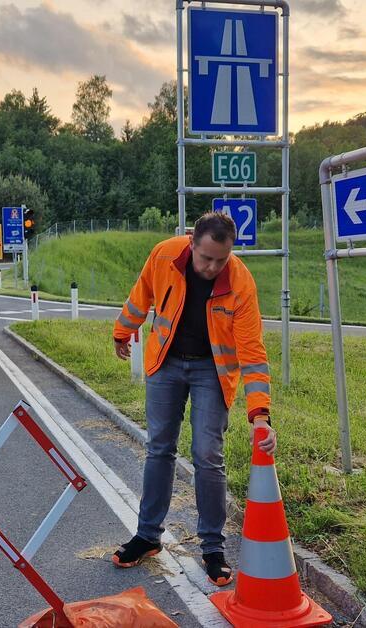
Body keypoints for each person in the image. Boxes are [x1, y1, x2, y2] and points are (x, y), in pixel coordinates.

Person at [110, 211, 276, 587]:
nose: (212, 266)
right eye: (206, 258)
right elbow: (142, 295)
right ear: (191, 243)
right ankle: (148, 536)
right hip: (166, 364)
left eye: (222, 258)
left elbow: (252, 351)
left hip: (211, 373)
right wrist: (123, 331)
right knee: (160, 448)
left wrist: (260, 414)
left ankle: (213, 548)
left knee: (207, 456)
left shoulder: (240, 282)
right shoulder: (165, 255)